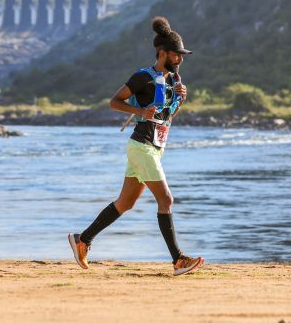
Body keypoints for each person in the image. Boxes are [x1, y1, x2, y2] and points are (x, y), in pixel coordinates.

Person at [68, 16, 204, 276]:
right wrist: (140, 110)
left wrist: (180, 101)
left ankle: (82, 239)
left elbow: (166, 117)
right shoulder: (143, 77)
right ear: (162, 53)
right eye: (176, 55)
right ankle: (178, 260)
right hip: (141, 146)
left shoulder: (175, 82)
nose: (180, 60)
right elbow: (114, 102)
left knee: (125, 202)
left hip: (154, 148)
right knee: (165, 199)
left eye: (182, 56)